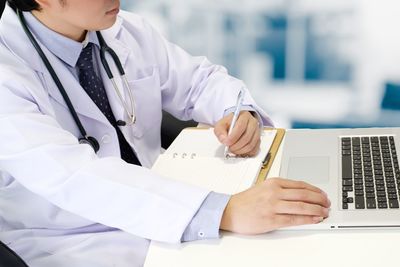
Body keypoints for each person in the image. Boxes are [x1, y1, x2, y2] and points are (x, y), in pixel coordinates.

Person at [0, 0, 331, 266]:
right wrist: (223, 211)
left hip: (165, 202)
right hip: (73, 238)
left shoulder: (126, 31)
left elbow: (198, 81)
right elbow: (71, 175)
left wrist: (237, 111)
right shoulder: (7, 70)